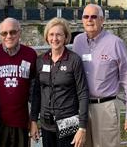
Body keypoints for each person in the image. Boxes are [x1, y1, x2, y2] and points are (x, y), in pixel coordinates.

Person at [73, 4, 127, 147]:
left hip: (105, 107)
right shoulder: (78, 41)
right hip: (82, 108)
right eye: (86, 16)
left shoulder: (115, 43)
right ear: (82, 20)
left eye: (94, 16)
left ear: (102, 20)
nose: (89, 20)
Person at [30, 17, 89, 147]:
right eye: (51, 34)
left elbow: (83, 93)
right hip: (46, 123)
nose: (55, 38)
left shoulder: (74, 60)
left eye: (59, 35)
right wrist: (33, 120)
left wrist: (82, 127)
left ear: (66, 37)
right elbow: (36, 93)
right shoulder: (41, 60)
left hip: (68, 122)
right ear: (46, 37)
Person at [0, 17, 37, 147]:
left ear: (20, 32)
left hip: (21, 122)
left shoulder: (30, 54)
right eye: (4, 33)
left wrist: (33, 119)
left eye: (13, 32)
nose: (9, 36)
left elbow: (36, 91)